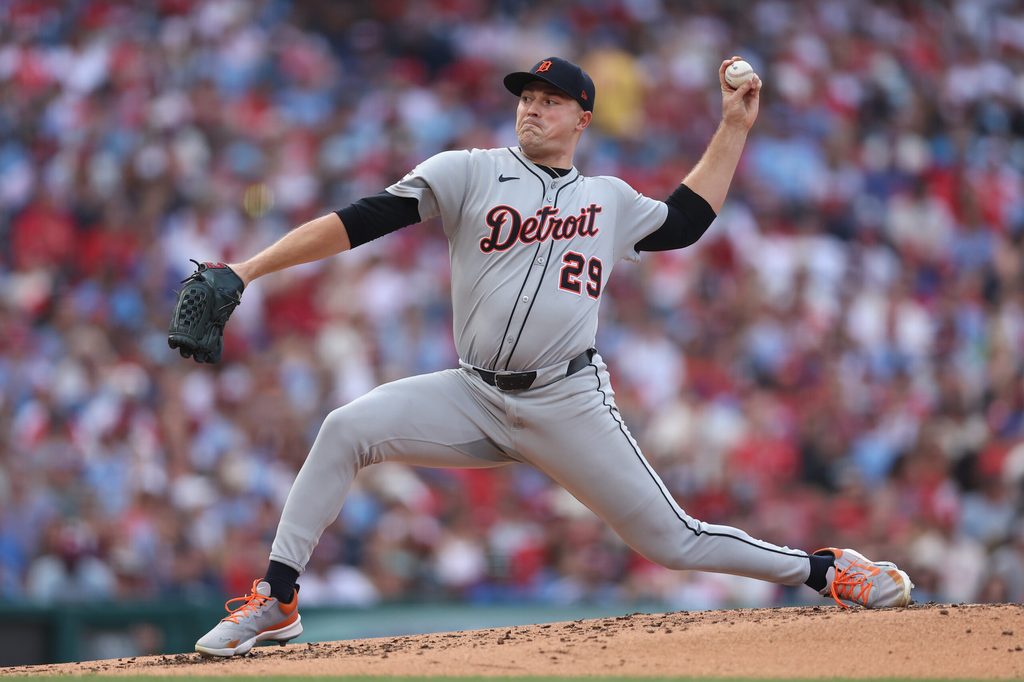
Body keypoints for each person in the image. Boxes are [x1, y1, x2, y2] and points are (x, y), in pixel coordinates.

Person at [188, 56, 913, 658]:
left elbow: (687, 221)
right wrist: (248, 270)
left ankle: (823, 571)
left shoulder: (608, 198)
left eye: (550, 100)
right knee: (346, 427)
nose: (532, 109)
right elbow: (362, 219)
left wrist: (731, 128)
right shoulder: (468, 170)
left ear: (583, 119)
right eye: (526, 98)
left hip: (567, 401)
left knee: (674, 542)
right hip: (473, 394)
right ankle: (278, 600)